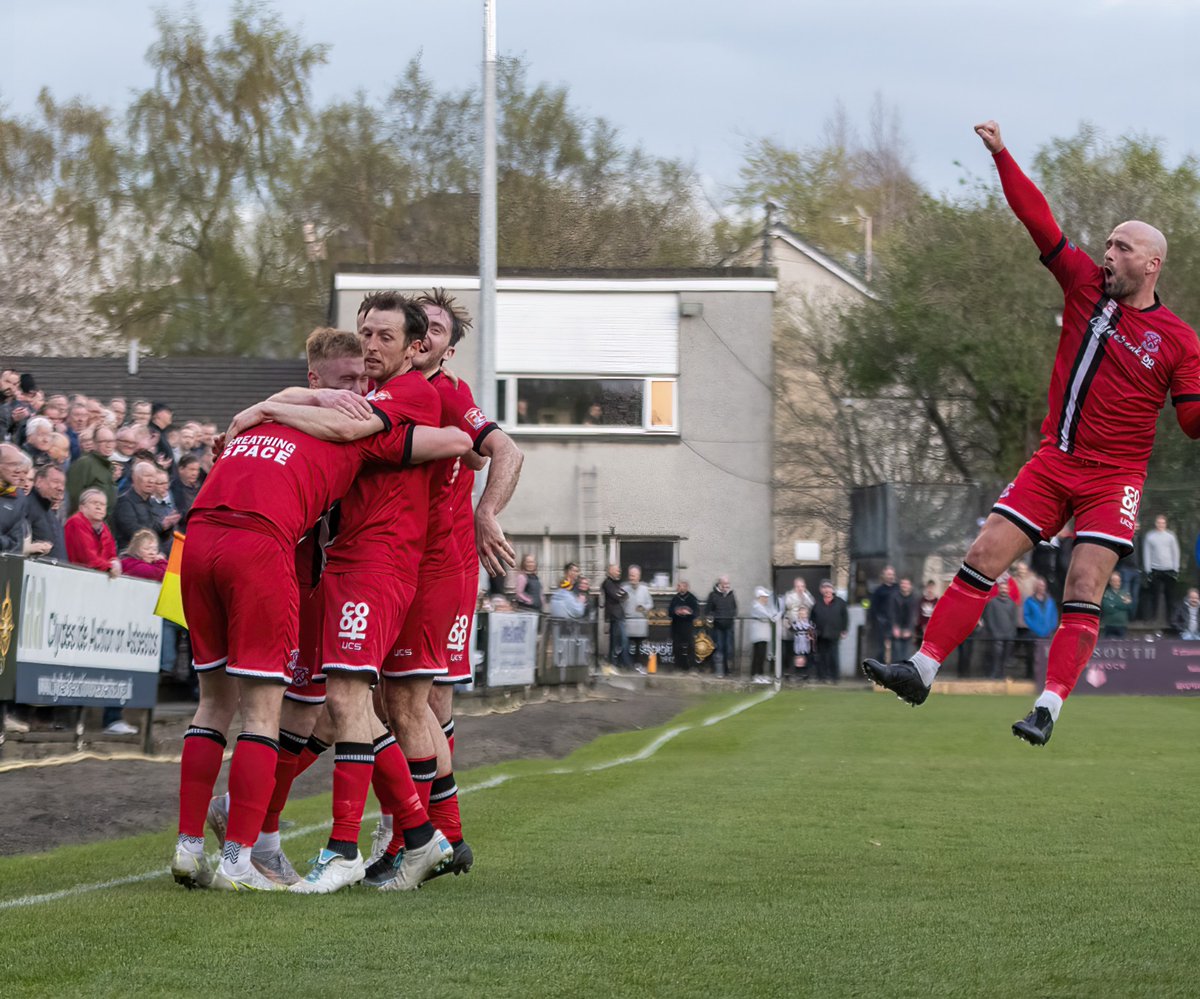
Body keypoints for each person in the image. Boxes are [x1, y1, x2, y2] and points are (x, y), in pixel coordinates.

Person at [864, 119, 1200, 746]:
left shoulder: (1180, 340)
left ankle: (1047, 706)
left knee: (1082, 581)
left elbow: (1189, 421)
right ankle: (921, 668)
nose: (1109, 252)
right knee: (983, 553)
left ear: (1152, 263)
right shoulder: (1082, 285)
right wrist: (1001, 155)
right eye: (1107, 243)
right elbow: (1037, 219)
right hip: (1055, 460)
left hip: (1115, 478)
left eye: (1123, 247)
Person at [173, 311, 470, 893]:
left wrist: (267, 410)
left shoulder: (392, 401)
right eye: (343, 379)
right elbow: (442, 438)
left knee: (340, 708)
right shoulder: (352, 409)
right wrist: (286, 407)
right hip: (292, 563)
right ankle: (336, 840)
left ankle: (393, 836)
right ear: (317, 379)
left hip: (292, 556)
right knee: (333, 708)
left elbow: (466, 440)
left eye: (380, 346)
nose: (353, 392)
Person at [66, 425, 116, 519]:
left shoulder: (109, 466)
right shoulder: (84, 463)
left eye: (111, 441)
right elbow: (73, 497)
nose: (108, 445)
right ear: (94, 443)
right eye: (103, 441)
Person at [1142, 514, 1180, 625]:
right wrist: (1148, 570)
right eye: (1159, 522)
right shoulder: (1150, 536)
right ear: (1155, 523)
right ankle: (1153, 618)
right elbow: (1147, 553)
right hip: (1155, 570)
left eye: (1162, 523)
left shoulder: (1171, 536)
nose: (1160, 524)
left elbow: (1175, 552)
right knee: (1154, 596)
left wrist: (1176, 568)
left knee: (1170, 596)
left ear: (1165, 524)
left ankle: (1170, 619)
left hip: (1169, 569)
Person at [24, 464, 67, 561]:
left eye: (63, 484)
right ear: (39, 481)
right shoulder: (26, 505)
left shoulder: (50, 512)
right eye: (56, 482)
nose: (61, 488)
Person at [810, 579, 849, 682]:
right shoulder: (817, 603)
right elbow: (812, 618)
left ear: (833, 590)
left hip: (834, 633)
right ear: (821, 590)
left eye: (829, 587)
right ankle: (822, 676)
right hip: (821, 633)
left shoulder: (840, 602)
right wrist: (812, 631)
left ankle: (835, 677)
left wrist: (844, 630)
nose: (827, 590)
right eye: (824, 588)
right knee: (822, 656)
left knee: (833, 655)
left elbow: (845, 617)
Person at [981, 580, 1018, 680]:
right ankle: (993, 674)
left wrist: (1011, 633)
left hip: (1008, 635)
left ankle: (1002, 674)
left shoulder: (1012, 604)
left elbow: (1013, 620)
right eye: (1002, 588)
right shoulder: (992, 603)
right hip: (995, 635)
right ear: (998, 589)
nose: (1004, 590)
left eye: (1005, 588)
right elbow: (988, 618)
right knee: (996, 655)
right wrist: (994, 632)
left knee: (1005, 658)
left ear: (1008, 590)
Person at [0, 445, 32, 555]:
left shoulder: (19, 498)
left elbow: (16, 545)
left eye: (19, 464)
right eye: (13, 464)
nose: (18, 470)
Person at [621, 565, 653, 667]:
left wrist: (643, 607)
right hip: (628, 620)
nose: (632, 578)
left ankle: (638, 663)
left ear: (639, 576)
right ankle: (627, 663)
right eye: (630, 575)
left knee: (639, 644)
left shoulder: (644, 589)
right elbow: (620, 604)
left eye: (634, 576)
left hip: (640, 621)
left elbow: (650, 604)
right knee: (627, 644)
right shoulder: (624, 588)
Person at [705, 575, 737, 677]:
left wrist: (731, 615)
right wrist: (714, 617)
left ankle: (728, 671)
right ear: (720, 584)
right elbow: (708, 610)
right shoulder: (713, 595)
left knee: (729, 648)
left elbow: (735, 608)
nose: (726, 587)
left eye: (728, 584)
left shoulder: (731, 595)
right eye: (724, 585)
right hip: (718, 625)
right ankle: (719, 671)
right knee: (719, 647)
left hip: (729, 625)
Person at [748, 586, 779, 682]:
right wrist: (773, 616)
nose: (766, 599)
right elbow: (769, 616)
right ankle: (754, 675)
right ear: (760, 597)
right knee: (758, 655)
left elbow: (772, 613)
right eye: (764, 597)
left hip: (764, 635)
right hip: (758, 635)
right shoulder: (756, 606)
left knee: (762, 655)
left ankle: (760, 674)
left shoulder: (764, 607)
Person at [602, 564, 630, 668]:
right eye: (617, 570)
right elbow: (617, 595)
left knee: (616, 640)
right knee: (623, 640)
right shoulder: (607, 583)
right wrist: (621, 595)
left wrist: (621, 595)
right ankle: (626, 663)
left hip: (618, 615)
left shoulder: (615, 583)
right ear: (610, 571)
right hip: (615, 615)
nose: (619, 572)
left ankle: (614, 662)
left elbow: (625, 594)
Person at [668, 580, 700, 671]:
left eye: (680, 586)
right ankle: (678, 667)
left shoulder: (692, 598)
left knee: (691, 646)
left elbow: (696, 612)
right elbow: (669, 612)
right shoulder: (675, 598)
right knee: (677, 646)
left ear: (686, 587)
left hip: (688, 625)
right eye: (678, 586)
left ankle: (692, 667)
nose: (678, 587)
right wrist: (676, 611)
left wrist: (689, 612)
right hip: (676, 626)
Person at [868, 566, 898, 662]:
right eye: (889, 574)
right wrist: (877, 620)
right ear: (884, 575)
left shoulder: (898, 589)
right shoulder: (878, 591)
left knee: (897, 649)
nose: (891, 576)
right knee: (881, 649)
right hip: (882, 623)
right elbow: (873, 608)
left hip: (896, 623)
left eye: (892, 574)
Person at [891, 578, 919, 661]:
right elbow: (892, 613)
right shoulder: (895, 597)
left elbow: (914, 615)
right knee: (896, 657)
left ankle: (904, 673)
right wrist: (894, 627)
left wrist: (910, 630)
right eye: (902, 583)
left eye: (906, 584)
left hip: (908, 633)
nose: (904, 585)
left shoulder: (914, 599)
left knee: (907, 657)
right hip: (897, 631)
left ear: (910, 586)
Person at [1100, 572, 1134, 638]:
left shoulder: (1125, 593)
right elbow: (1107, 608)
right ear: (1110, 582)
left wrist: (1114, 604)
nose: (1117, 583)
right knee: (1108, 645)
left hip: (1122, 625)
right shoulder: (1106, 593)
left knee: (1122, 646)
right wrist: (1122, 604)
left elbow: (1130, 606)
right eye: (1114, 581)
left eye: (1118, 581)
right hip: (1109, 624)